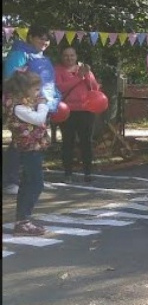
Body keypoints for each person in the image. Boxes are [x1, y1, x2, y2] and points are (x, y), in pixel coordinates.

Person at [2, 26, 60, 195]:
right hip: (24, 105)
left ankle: (34, 178)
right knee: (18, 142)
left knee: (37, 142)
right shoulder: (20, 54)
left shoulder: (42, 57)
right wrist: (23, 103)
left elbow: (48, 82)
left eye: (47, 39)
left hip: (41, 103)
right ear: (31, 38)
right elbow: (12, 79)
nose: (44, 42)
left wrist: (52, 99)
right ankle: (10, 181)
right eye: (41, 38)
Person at [3, 71, 50, 235]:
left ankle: (22, 220)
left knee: (28, 183)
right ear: (24, 90)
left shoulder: (23, 104)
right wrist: (43, 104)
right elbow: (39, 119)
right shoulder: (18, 108)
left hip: (33, 148)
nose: (39, 93)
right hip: (28, 149)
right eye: (36, 89)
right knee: (35, 184)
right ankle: (23, 220)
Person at [54, 47, 100, 182]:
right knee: (68, 142)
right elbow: (60, 87)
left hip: (85, 110)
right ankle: (68, 172)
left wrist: (87, 75)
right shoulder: (58, 70)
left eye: (72, 55)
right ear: (62, 57)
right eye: (66, 55)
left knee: (86, 142)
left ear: (76, 56)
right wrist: (78, 77)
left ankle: (88, 172)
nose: (69, 58)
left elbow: (95, 88)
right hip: (67, 110)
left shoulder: (84, 69)